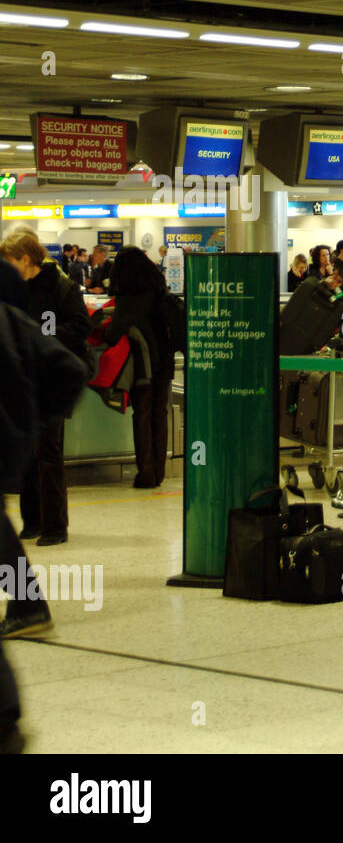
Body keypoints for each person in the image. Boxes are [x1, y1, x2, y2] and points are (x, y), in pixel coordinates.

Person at [0, 258, 87, 755]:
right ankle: (29, 606)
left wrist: (35, 423)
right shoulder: (15, 319)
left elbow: (70, 369)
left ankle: (29, 606)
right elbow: (67, 371)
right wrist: (31, 424)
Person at [0, 232, 91, 546]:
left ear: (25, 259)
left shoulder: (61, 287)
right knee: (28, 453)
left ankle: (55, 526)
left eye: (9, 261)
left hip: (49, 380)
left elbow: (81, 326)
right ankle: (31, 521)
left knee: (49, 455)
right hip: (24, 383)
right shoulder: (13, 291)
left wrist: (43, 337)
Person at [103, 247, 176, 488]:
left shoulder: (127, 296)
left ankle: (146, 473)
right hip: (164, 361)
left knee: (142, 415)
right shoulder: (158, 289)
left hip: (141, 366)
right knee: (159, 414)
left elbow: (114, 334)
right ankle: (159, 472)